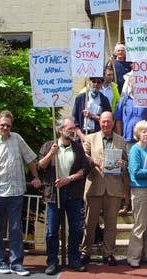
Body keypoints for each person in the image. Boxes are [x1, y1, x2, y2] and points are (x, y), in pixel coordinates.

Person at [0, 110, 41, 276]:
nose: (5, 127)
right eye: (3, 125)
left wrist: (35, 177)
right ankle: (1, 261)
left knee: (15, 229)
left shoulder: (17, 138)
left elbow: (30, 159)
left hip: (16, 192)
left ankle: (17, 263)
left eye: (8, 125)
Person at [38, 117, 91, 275]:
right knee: (52, 231)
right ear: (61, 130)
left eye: (74, 128)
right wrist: (50, 154)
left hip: (73, 193)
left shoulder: (77, 148)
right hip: (54, 194)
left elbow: (84, 169)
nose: (73, 131)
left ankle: (74, 259)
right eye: (70, 128)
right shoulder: (49, 146)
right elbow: (40, 166)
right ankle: (52, 262)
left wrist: (69, 179)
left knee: (75, 228)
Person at [80, 111, 128, 266]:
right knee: (90, 223)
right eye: (103, 122)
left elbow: (126, 161)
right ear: (99, 122)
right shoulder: (90, 138)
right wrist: (91, 160)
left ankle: (108, 253)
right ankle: (85, 252)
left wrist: (123, 164)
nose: (106, 124)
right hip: (95, 186)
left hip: (113, 188)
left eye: (108, 121)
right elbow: (82, 157)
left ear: (113, 122)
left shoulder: (121, 141)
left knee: (111, 224)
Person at [114, 77, 147, 215]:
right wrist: (120, 138)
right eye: (133, 82)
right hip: (127, 139)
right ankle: (127, 201)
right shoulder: (124, 100)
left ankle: (141, 196)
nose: (135, 85)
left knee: (143, 167)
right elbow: (118, 119)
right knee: (126, 171)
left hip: (143, 140)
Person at [126, 121, 147, 268]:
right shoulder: (135, 150)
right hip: (140, 191)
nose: (146, 134)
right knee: (140, 225)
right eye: (144, 132)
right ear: (138, 134)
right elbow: (135, 172)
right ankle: (133, 256)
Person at [72, 77, 112, 141]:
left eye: (98, 82)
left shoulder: (104, 100)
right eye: (93, 81)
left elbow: (108, 119)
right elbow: (74, 120)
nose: (96, 84)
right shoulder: (80, 98)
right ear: (89, 82)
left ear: (101, 84)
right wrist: (82, 136)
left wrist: (92, 116)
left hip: (97, 135)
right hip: (82, 134)